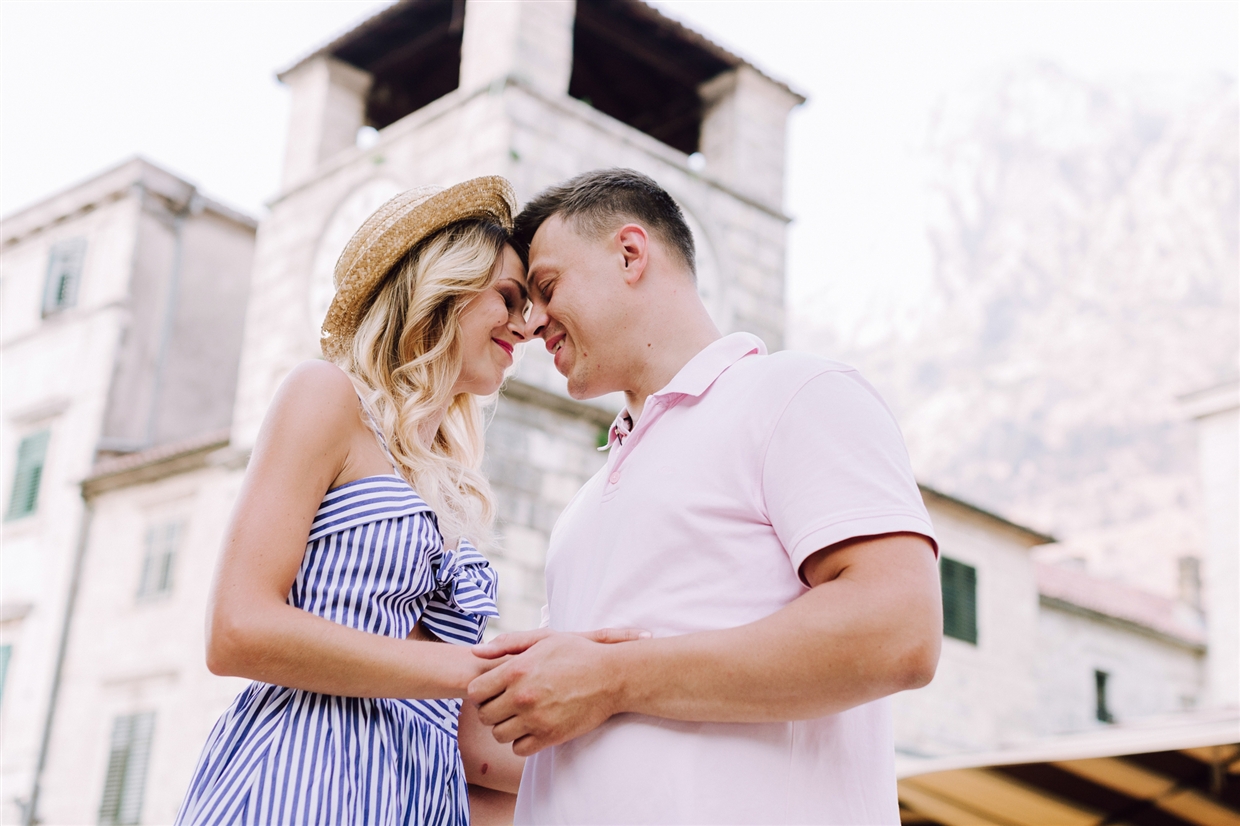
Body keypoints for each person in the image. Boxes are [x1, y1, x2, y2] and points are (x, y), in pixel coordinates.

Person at [468, 168, 944, 824]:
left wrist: (611, 679)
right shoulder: (582, 509)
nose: (532, 323)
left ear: (630, 254)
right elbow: (566, 736)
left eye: (546, 288)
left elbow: (897, 631)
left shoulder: (795, 393)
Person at [176, 177, 624, 824]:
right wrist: (484, 665)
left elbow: (454, 731)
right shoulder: (326, 397)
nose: (528, 327)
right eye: (509, 298)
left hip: (417, 797)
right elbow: (238, 630)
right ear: (443, 288)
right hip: (298, 782)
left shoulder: (451, 485)